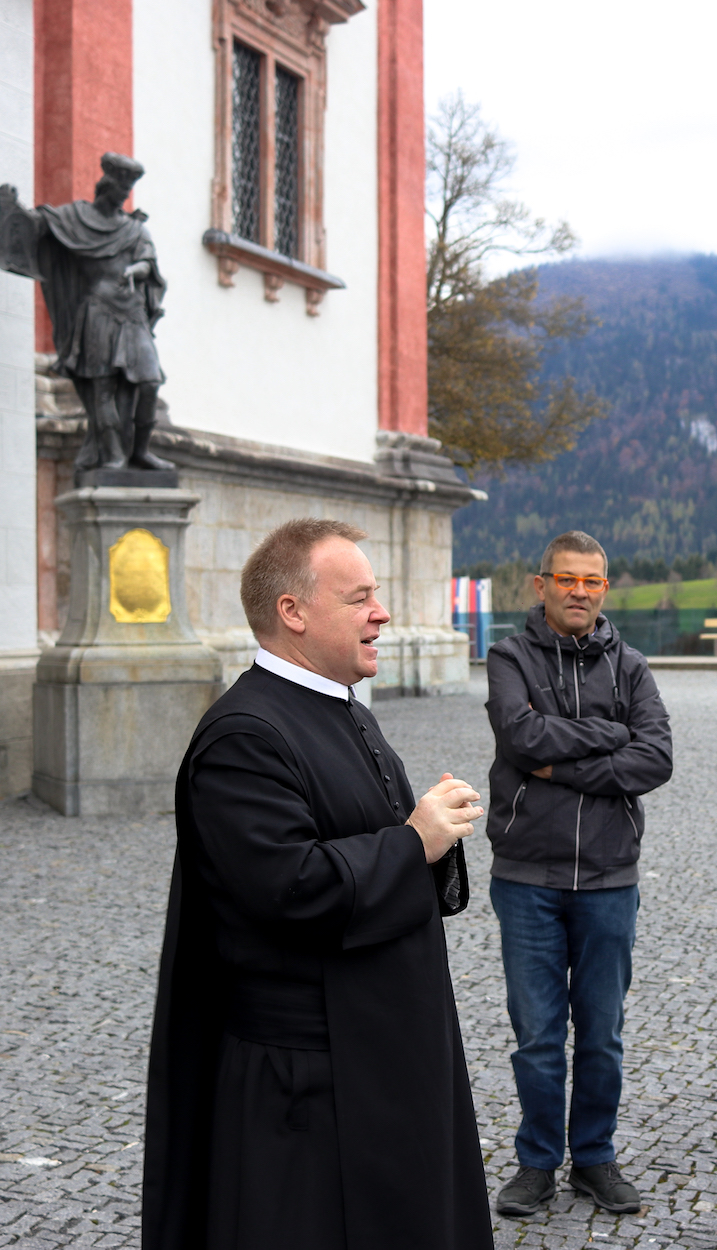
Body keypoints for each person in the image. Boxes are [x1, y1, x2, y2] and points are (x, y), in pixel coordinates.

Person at [142, 518, 494, 1250]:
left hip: (380, 1057)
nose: (382, 613)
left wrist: (426, 833)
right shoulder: (245, 736)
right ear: (292, 613)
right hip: (308, 1090)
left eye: (378, 595)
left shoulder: (339, 707)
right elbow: (287, 888)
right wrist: (414, 840)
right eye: (359, 597)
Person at [484, 530, 673, 1217]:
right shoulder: (508, 657)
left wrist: (560, 762)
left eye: (591, 581)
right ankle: (536, 1162)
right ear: (541, 585)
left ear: (604, 589)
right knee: (536, 1037)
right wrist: (610, 734)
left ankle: (593, 1157)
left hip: (607, 879)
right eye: (566, 579)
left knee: (601, 1032)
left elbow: (655, 759)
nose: (579, 592)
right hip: (526, 877)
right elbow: (519, 737)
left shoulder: (632, 668)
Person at [0, 152, 173, 473]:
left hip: (132, 316)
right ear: (105, 188)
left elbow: (148, 262)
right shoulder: (76, 219)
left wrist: (136, 268)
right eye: (119, 192)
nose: (123, 199)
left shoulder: (135, 229)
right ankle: (112, 455)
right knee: (102, 388)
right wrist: (9, 210)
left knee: (149, 381)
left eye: (127, 193)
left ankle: (140, 451)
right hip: (97, 312)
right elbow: (39, 228)